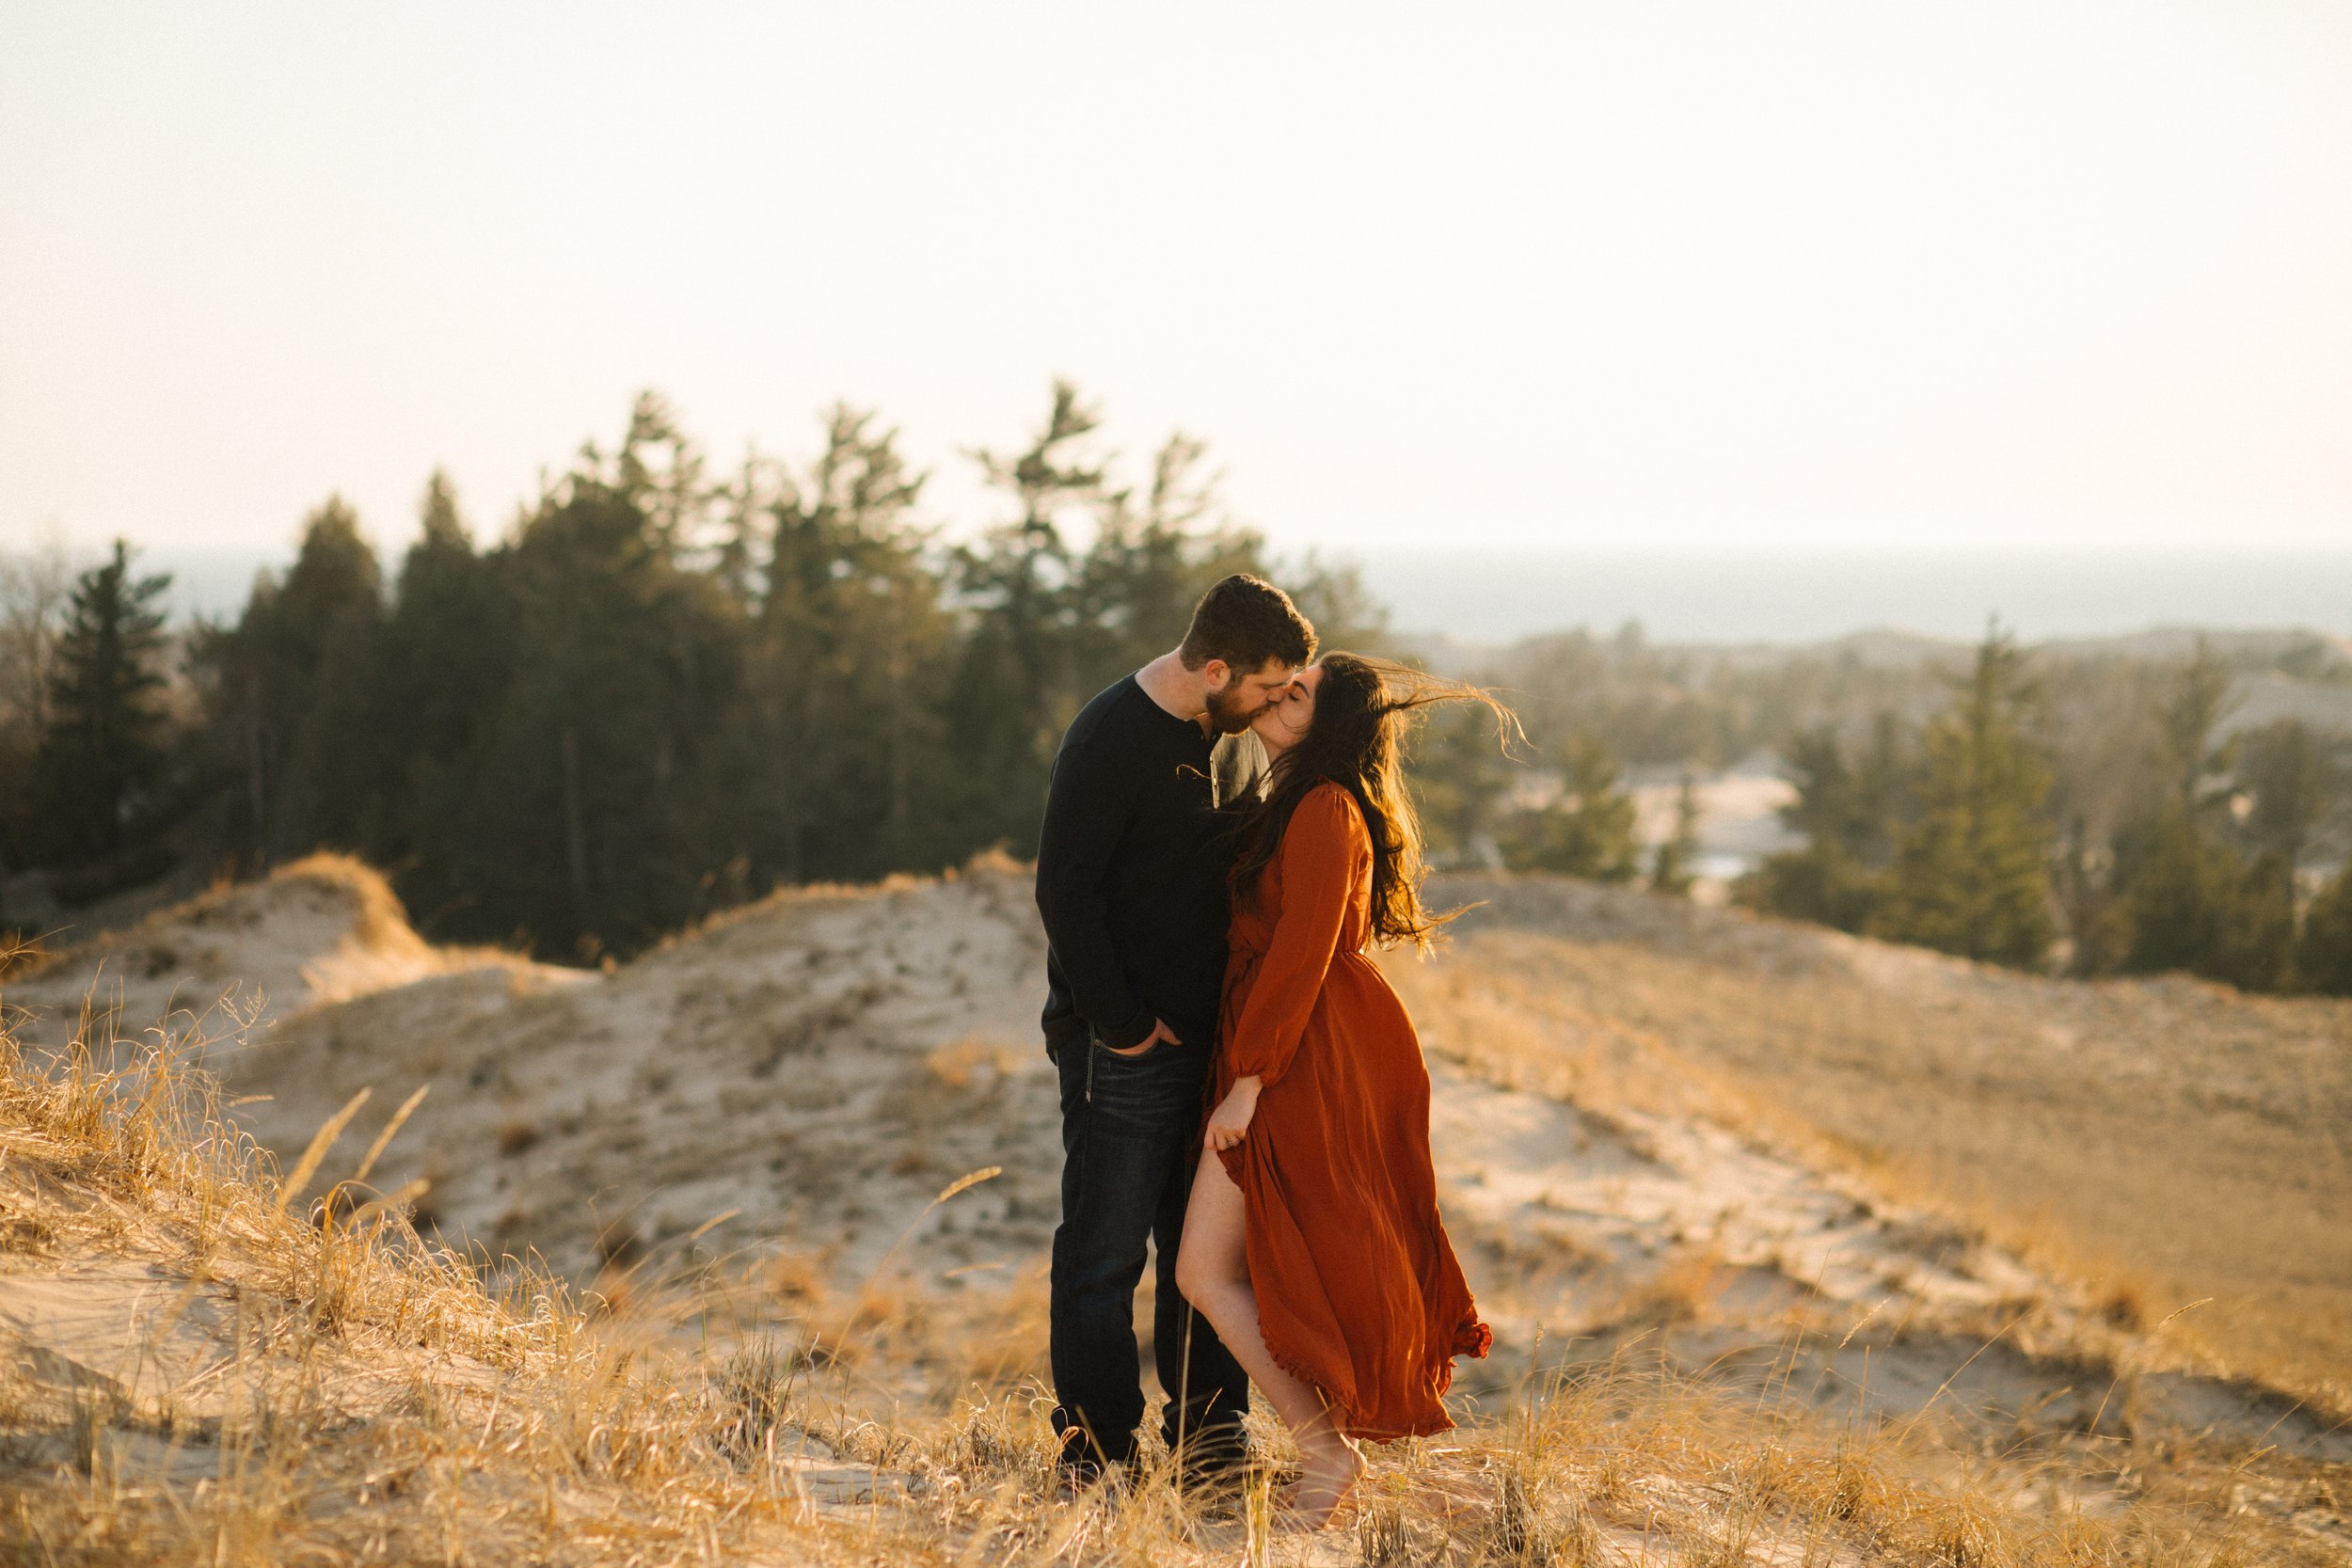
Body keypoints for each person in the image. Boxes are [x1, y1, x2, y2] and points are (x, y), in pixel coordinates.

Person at [1175, 653, 1507, 1528]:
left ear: (1331, 723)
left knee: (1204, 1269)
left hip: (1297, 1060)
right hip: (1283, 1050)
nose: (1284, 695)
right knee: (1221, 1267)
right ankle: (1328, 1451)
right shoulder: (1293, 799)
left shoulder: (1325, 807)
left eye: (1302, 692)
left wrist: (1248, 1084)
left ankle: (1326, 1454)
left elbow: (1303, 952)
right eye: (1286, 684)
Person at [1034, 574, 1317, 1487]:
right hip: (1124, 1048)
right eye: (1267, 687)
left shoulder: (1226, 735)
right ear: (1217, 667)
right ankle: (1096, 1452)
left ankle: (1208, 1445)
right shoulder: (1109, 737)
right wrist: (1119, 1027)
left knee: (1200, 1254)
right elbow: (1064, 892)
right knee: (1103, 1253)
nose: (1275, 701)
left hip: (1212, 1046)